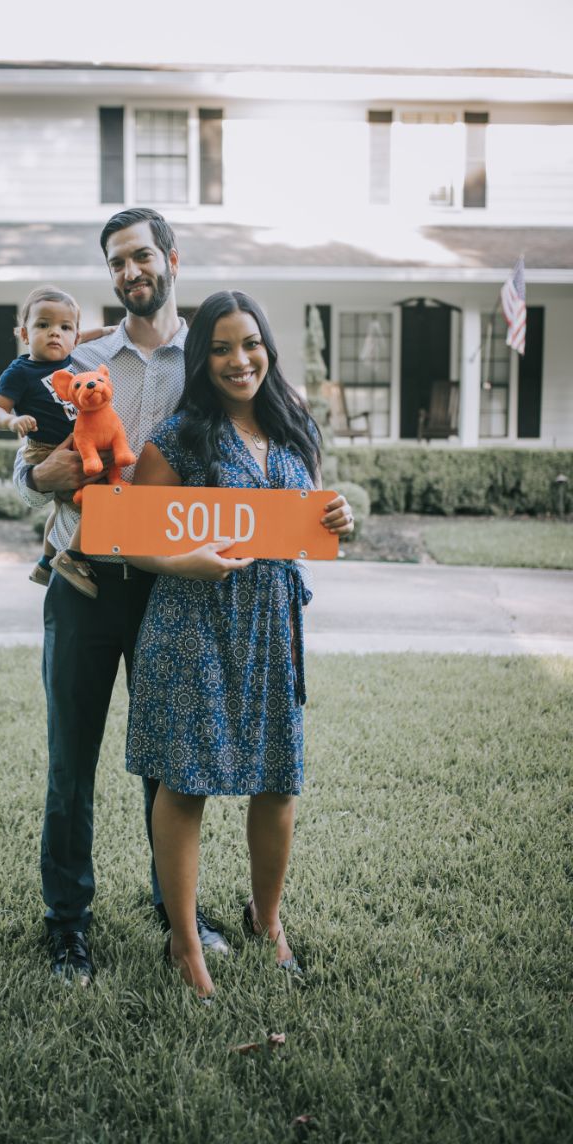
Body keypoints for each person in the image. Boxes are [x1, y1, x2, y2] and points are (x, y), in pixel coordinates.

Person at [13, 213, 352, 988]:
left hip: (179, 598)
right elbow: (25, 463)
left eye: (142, 256)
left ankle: (180, 917)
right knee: (73, 763)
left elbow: (277, 490)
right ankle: (69, 927)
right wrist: (39, 476)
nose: (132, 271)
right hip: (89, 579)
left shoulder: (201, 362)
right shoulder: (81, 355)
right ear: (110, 274)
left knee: (169, 763)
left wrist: (332, 518)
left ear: (171, 260)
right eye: (117, 261)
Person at [125, 290, 354, 1000]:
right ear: (203, 358)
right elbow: (130, 537)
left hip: (271, 628)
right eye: (220, 347)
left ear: (267, 348)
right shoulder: (182, 435)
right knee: (185, 783)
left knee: (279, 782)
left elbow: (304, 523)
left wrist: (337, 516)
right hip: (192, 626)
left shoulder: (295, 429)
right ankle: (186, 942)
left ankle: (267, 919)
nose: (238, 359)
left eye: (249, 344)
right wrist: (182, 560)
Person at [0, 285, 116, 598]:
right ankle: (73, 557)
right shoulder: (20, 371)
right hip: (43, 449)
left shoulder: (73, 351)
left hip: (72, 441)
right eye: (43, 325)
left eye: (64, 327)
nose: (54, 333)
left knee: (60, 509)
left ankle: (45, 562)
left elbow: (86, 334)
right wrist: (11, 421)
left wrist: (114, 330)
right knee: (100, 498)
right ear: (24, 334)